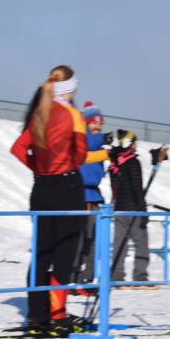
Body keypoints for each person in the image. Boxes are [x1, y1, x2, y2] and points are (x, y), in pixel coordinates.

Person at [9, 65, 88, 336]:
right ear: (70, 89)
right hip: (68, 187)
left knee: (42, 253)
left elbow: (18, 148)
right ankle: (57, 314)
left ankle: (37, 314)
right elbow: (79, 155)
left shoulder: (39, 114)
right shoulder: (73, 115)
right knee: (64, 253)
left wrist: (38, 168)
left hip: (42, 189)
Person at [108, 130, 156, 289]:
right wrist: (143, 211)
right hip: (133, 208)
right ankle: (140, 277)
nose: (136, 145)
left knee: (119, 243)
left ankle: (117, 277)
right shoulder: (133, 162)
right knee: (141, 242)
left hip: (119, 207)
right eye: (134, 142)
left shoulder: (115, 161)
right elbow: (136, 189)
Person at [76, 101, 111, 285]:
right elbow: (90, 141)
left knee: (93, 241)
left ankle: (88, 277)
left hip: (94, 196)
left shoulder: (98, 146)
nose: (98, 127)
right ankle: (73, 277)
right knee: (80, 239)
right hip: (81, 196)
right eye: (94, 123)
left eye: (100, 124)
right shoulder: (83, 139)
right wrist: (107, 138)